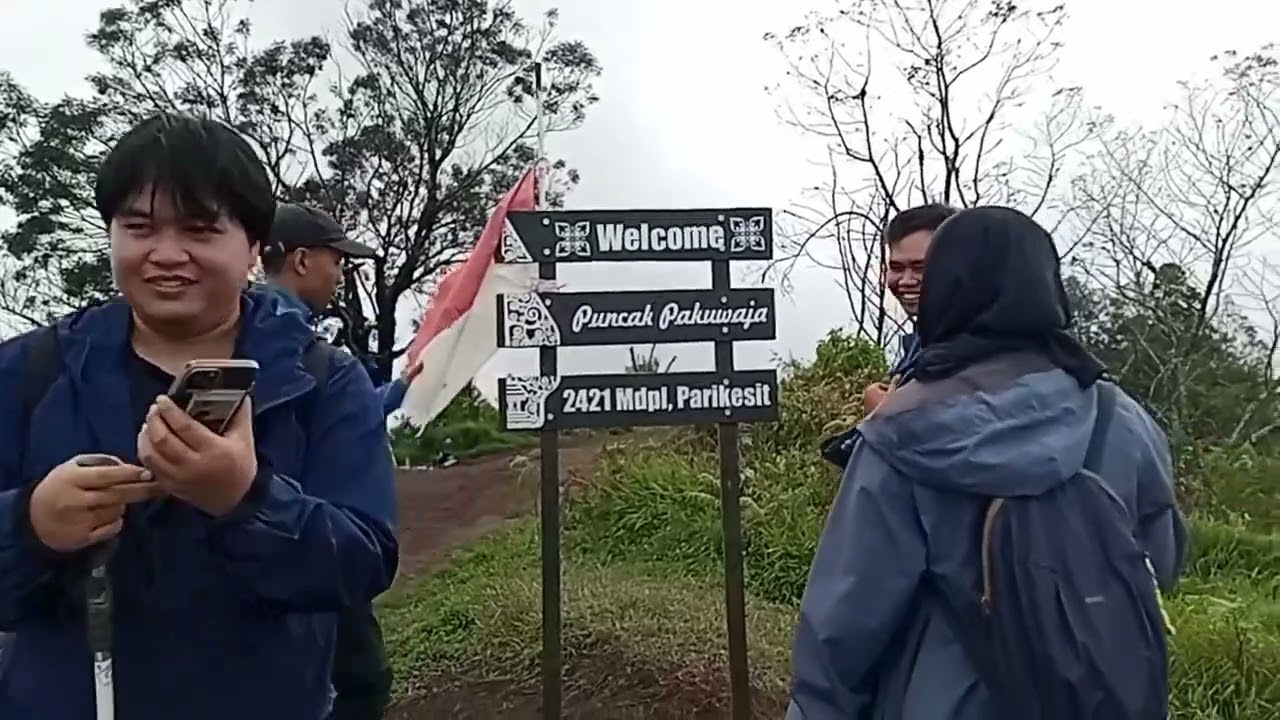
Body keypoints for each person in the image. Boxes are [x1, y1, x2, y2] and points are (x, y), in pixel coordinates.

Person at [0, 112, 398, 719]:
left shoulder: (322, 382)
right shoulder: (30, 372)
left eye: (200, 229)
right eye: (138, 227)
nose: (166, 254)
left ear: (253, 246)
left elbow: (364, 562)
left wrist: (246, 497)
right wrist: (33, 526)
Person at [788, 207, 1188, 719]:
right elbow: (1161, 561)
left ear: (946, 288)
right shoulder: (1121, 418)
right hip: (1097, 697)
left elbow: (844, 624)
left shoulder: (905, 431)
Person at [260, 203, 422, 415]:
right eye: (336, 263)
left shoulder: (232, 326)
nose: (339, 278)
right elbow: (345, 420)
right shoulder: (303, 354)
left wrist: (399, 386)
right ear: (302, 261)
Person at [864, 203, 956, 415]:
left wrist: (885, 414)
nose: (905, 281)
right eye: (896, 268)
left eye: (920, 268)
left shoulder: (970, 349)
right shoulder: (921, 341)